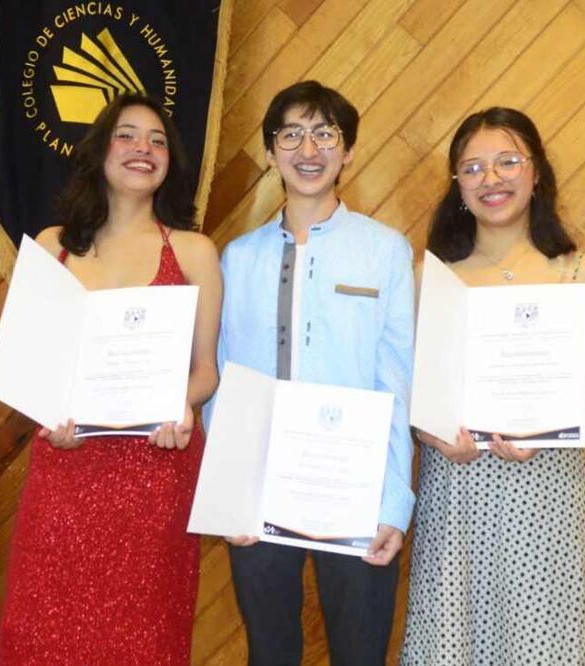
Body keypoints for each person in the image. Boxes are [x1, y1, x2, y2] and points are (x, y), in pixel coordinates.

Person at [0, 93, 222, 665]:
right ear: (100, 150)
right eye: (127, 135)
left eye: (157, 140)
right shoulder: (53, 248)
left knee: (142, 640)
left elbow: (205, 373)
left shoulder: (194, 252)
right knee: (43, 635)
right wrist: (49, 411)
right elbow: (24, 363)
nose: (143, 149)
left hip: (155, 473)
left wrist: (180, 401)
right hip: (67, 469)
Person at [400, 107, 585, 665]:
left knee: (547, 642)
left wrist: (542, 429)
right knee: (454, 640)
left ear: (537, 172)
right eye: (472, 168)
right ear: (456, 187)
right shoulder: (431, 277)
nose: (490, 179)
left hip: (547, 492)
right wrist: (434, 436)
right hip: (457, 492)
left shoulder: (578, 271)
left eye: (506, 162)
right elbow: (413, 397)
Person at [210, 80, 416, 665]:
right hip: (258, 490)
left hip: (356, 489)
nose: (309, 148)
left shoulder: (385, 251)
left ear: (348, 150)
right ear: (271, 150)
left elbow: (397, 382)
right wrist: (231, 496)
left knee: (359, 653)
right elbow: (224, 382)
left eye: (325, 133)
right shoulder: (239, 257)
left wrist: (391, 505)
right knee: (269, 652)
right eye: (292, 133)